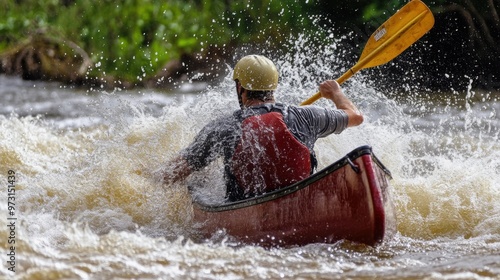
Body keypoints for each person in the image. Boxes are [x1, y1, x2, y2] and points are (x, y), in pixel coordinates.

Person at [159, 54, 363, 201]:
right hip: (301, 204)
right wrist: (336, 93)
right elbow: (355, 116)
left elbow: (172, 173)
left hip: (247, 213)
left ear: (240, 88)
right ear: (273, 86)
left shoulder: (223, 127)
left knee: (197, 180)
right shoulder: (306, 116)